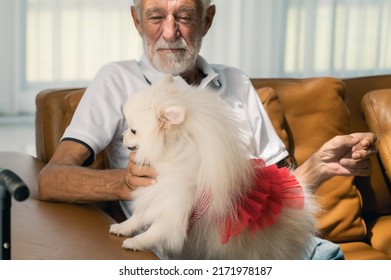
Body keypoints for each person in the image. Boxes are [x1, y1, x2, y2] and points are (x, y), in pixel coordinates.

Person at [38, 0, 377, 259]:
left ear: (207, 19)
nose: (170, 33)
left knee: (329, 255)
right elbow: (51, 179)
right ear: (136, 20)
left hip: (265, 245)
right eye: (156, 17)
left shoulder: (236, 83)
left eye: (184, 16)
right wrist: (123, 183)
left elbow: (273, 196)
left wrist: (319, 167)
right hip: (196, 252)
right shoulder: (116, 80)